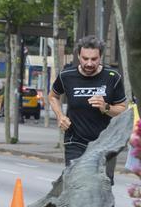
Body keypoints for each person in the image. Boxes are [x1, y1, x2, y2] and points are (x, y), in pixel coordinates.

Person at [48, 35, 128, 179]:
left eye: (94, 59)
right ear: (79, 56)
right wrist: (60, 116)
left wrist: (106, 107)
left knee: (102, 187)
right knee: (76, 184)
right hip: (75, 141)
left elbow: (122, 109)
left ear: (100, 57)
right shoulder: (66, 76)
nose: (89, 63)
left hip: (105, 143)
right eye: (85, 58)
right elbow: (53, 96)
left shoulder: (112, 77)